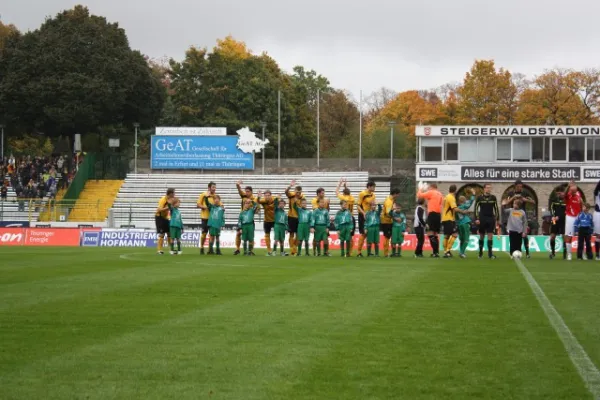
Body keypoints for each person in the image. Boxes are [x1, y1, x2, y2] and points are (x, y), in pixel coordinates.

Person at [502, 180, 535, 258]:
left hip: (522, 215)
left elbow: (533, 202)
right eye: (518, 186)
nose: (520, 188)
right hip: (512, 215)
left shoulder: (525, 193)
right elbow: (505, 203)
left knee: (524, 235)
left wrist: (525, 199)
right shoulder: (510, 193)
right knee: (513, 238)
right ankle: (512, 253)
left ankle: (527, 253)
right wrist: (513, 197)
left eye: (521, 186)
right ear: (515, 186)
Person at [417, 183, 443, 257]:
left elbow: (419, 196)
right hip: (438, 215)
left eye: (429, 187)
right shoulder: (440, 194)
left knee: (430, 233)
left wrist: (420, 189)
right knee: (435, 234)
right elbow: (440, 204)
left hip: (432, 214)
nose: (428, 189)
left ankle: (435, 253)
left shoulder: (431, 192)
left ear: (432, 187)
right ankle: (436, 252)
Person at [474, 184, 499, 259]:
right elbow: (476, 208)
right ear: (484, 189)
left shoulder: (493, 197)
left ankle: (490, 254)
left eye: (490, 188)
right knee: (481, 236)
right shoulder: (479, 198)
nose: (489, 189)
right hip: (482, 218)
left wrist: (497, 219)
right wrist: (477, 218)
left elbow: (496, 208)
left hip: (491, 218)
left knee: (490, 236)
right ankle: (480, 253)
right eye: (487, 188)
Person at [234, 181, 258, 255]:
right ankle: (237, 249)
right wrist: (237, 185)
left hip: (250, 220)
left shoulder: (254, 198)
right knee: (238, 233)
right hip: (242, 218)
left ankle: (251, 250)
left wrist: (255, 210)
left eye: (248, 191)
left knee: (251, 236)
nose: (246, 193)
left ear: (251, 192)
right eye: (246, 191)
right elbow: (239, 190)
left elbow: (257, 209)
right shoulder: (243, 196)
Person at [564, 180, 583, 261]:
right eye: (572, 190)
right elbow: (564, 194)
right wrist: (568, 187)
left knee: (581, 235)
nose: (573, 191)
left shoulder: (579, 194)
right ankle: (569, 254)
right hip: (570, 217)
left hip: (578, 217)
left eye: (574, 190)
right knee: (569, 236)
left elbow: (581, 204)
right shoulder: (568, 194)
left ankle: (582, 254)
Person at [356, 181, 377, 257]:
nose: (374, 188)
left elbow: (373, 205)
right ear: (369, 187)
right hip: (362, 215)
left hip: (369, 216)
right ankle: (358, 252)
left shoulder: (373, 195)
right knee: (363, 233)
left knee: (369, 233)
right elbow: (358, 205)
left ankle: (369, 252)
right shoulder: (362, 194)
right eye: (373, 187)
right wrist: (363, 213)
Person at [336, 178, 356, 255]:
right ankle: (349, 252)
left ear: (343, 193)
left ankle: (344, 252)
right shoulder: (352, 198)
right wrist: (345, 186)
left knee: (343, 237)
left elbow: (336, 192)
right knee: (350, 237)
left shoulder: (343, 198)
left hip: (345, 218)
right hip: (351, 217)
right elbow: (347, 192)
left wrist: (340, 184)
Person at [257, 190, 280, 256]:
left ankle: (276, 250)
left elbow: (280, 204)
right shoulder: (263, 201)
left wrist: (278, 198)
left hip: (275, 220)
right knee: (267, 235)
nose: (267, 197)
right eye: (265, 196)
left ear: (271, 195)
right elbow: (258, 201)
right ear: (264, 196)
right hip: (266, 221)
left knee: (277, 235)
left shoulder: (275, 199)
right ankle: (269, 250)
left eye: (268, 195)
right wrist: (258, 197)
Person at [286, 180, 305, 256]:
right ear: (294, 191)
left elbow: (302, 207)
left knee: (298, 234)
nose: (298, 194)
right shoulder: (291, 195)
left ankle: (294, 248)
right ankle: (292, 250)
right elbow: (286, 192)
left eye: (299, 192)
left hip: (299, 218)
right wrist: (290, 186)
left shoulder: (302, 198)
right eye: (297, 192)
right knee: (291, 234)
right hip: (291, 217)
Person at [196, 182, 217, 255]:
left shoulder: (215, 196)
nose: (214, 189)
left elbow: (219, 204)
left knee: (212, 234)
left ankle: (210, 249)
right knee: (204, 234)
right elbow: (198, 204)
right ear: (209, 188)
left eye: (215, 187)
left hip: (213, 218)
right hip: (205, 217)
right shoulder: (203, 195)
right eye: (213, 187)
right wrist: (203, 207)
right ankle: (201, 247)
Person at [380, 188, 401, 257]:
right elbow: (388, 212)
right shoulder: (389, 201)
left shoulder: (391, 200)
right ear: (395, 194)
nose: (398, 196)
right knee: (387, 236)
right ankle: (386, 253)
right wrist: (396, 219)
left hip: (388, 221)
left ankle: (389, 252)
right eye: (398, 195)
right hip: (386, 221)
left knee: (388, 236)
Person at [155, 188, 175, 255]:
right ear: (170, 194)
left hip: (166, 217)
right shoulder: (163, 199)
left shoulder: (170, 200)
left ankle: (171, 249)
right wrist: (168, 208)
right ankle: (159, 250)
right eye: (173, 193)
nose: (174, 194)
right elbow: (159, 209)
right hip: (159, 217)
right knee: (162, 234)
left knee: (169, 233)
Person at [441, 184, 459, 258]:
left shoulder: (446, 197)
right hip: (449, 219)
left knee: (447, 236)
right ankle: (447, 251)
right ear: (455, 190)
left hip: (445, 218)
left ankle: (446, 252)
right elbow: (454, 208)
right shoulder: (451, 197)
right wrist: (463, 211)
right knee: (454, 234)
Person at [311, 188, 330, 256]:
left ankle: (326, 252)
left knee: (325, 239)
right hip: (317, 225)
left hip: (324, 226)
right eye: (322, 193)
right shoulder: (314, 202)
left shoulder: (325, 209)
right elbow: (313, 217)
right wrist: (312, 226)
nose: (323, 194)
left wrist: (328, 227)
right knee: (316, 240)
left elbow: (327, 217)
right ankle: (316, 252)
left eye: (323, 202)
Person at [456, 192, 476, 258]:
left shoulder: (456, 208)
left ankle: (461, 252)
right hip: (465, 223)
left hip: (459, 224)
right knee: (466, 239)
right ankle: (462, 253)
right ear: (464, 201)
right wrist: (473, 195)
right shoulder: (464, 206)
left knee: (462, 239)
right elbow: (470, 202)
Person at [549, 190, 567, 260]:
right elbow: (551, 209)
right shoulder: (554, 200)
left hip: (563, 220)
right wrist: (553, 216)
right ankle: (553, 253)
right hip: (554, 220)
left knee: (564, 236)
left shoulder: (566, 201)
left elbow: (566, 211)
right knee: (552, 236)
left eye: (562, 192)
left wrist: (559, 217)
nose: (561, 194)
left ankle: (565, 254)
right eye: (559, 193)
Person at [594, 181, 600, 260]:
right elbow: (595, 190)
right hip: (598, 214)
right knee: (598, 235)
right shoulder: (597, 193)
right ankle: (597, 254)